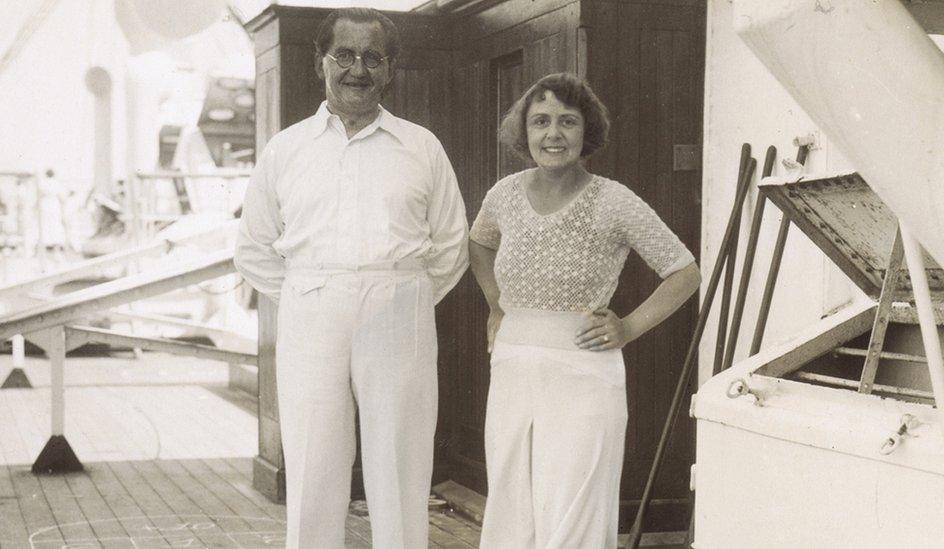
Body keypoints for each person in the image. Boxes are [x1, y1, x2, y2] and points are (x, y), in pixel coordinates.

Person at [233, 8, 468, 548]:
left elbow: (452, 242)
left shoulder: (421, 146)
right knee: (314, 458)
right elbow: (254, 247)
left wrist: (404, 293)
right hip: (311, 307)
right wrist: (308, 290)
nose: (357, 69)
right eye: (344, 55)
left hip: (399, 307)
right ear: (322, 62)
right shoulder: (286, 149)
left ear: (390, 70)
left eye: (373, 57)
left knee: (400, 458)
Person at [469, 73, 701, 548]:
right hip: (513, 364)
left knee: (573, 507)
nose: (553, 134)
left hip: (583, 369)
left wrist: (629, 326)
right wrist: (496, 304)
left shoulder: (612, 200)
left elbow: (684, 271)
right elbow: (478, 244)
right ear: (525, 131)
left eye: (567, 122)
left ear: (586, 131)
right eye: (541, 122)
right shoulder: (504, 194)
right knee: (513, 503)